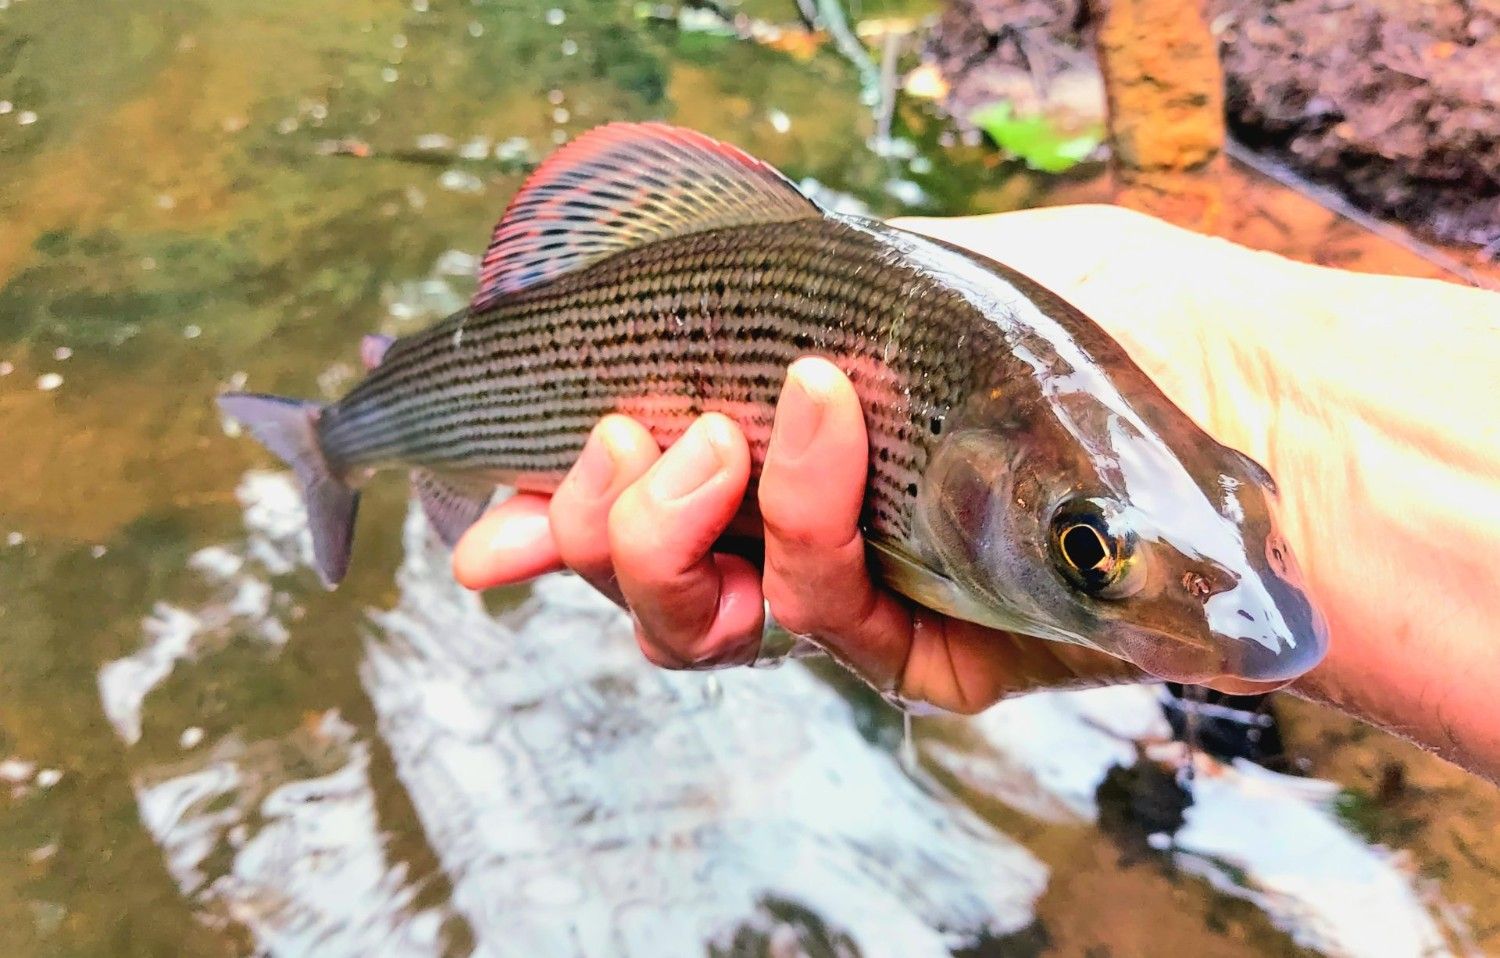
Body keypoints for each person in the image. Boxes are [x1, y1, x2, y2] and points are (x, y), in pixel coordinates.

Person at [449, 205, 1500, 783]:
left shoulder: (1129, 428)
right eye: (1090, 550)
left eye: (1247, 497)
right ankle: (337, 438)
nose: (1258, 615)